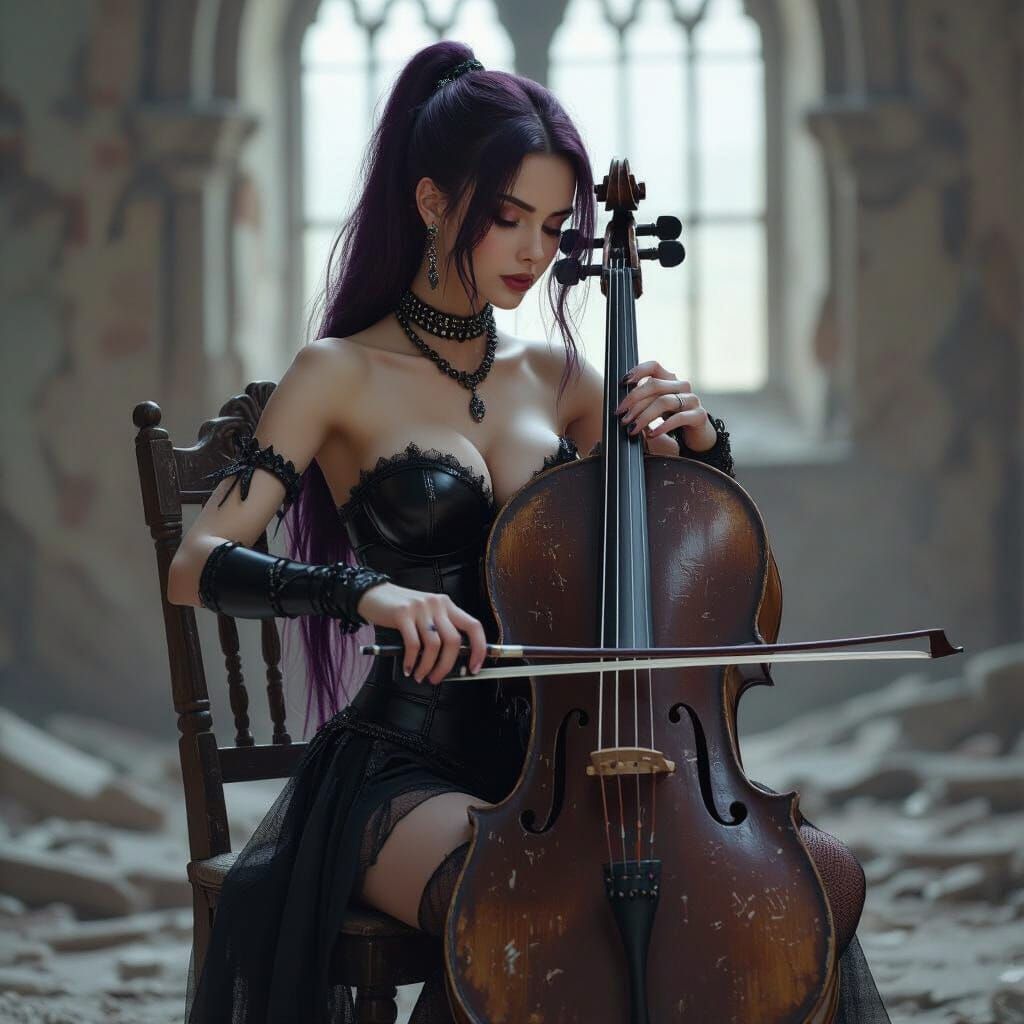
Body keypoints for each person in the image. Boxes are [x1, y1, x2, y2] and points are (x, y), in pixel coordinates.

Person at [167, 40, 891, 1024]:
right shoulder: (335, 373)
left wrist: (701, 444)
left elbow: (693, 562)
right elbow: (195, 563)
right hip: (405, 766)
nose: (533, 250)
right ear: (431, 202)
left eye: (553, 226)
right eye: (507, 217)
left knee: (789, 877)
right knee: (519, 894)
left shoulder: (560, 378)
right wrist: (364, 592)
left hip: (573, 764)